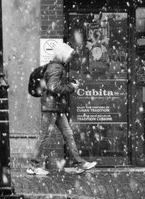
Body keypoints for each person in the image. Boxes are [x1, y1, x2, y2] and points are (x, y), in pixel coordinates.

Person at [26, 41, 97, 176]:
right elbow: (53, 87)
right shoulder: (56, 68)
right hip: (51, 108)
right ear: (62, 55)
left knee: (68, 134)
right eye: (68, 55)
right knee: (44, 135)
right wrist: (71, 87)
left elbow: (54, 86)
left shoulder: (57, 66)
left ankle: (79, 163)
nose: (70, 58)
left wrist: (68, 85)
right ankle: (33, 166)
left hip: (56, 107)